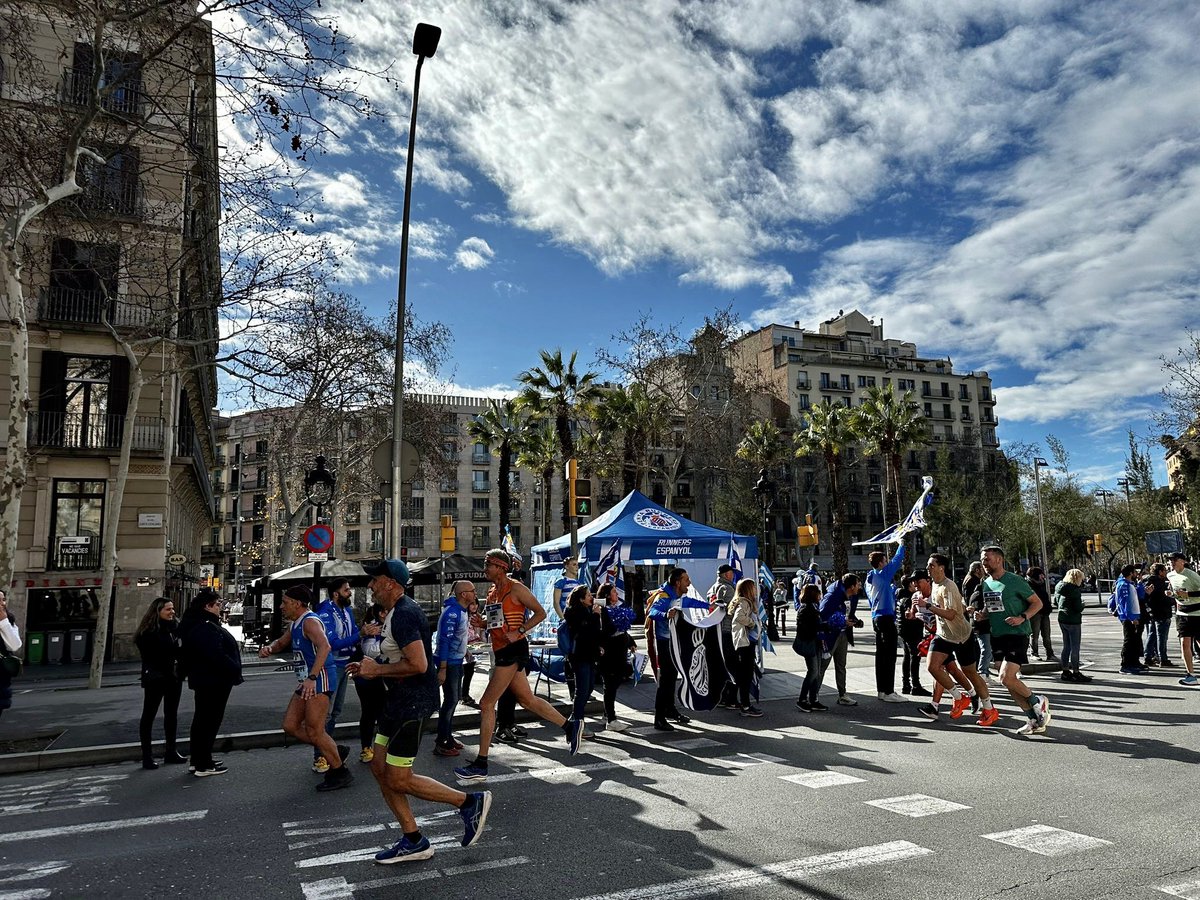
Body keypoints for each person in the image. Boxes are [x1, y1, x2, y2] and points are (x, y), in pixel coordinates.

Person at [349, 558, 490, 862]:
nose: (371, 585)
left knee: (398, 778)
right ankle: (413, 839)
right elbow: (395, 657)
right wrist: (369, 666)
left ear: (392, 583)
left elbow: (418, 664)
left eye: (376, 579)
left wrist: (376, 671)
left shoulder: (405, 615)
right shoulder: (395, 613)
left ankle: (468, 802)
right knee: (379, 768)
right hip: (396, 702)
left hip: (412, 704)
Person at [454, 549, 577, 783]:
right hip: (501, 650)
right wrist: (483, 623)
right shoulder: (492, 593)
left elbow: (540, 613)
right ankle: (570, 727)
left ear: (500, 567)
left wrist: (519, 630)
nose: (485, 569)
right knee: (527, 700)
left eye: (488, 564)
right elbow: (496, 622)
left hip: (513, 650)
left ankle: (481, 763)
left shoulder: (517, 588)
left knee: (486, 703)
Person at [259, 585, 352, 792]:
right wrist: (270, 648)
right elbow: (282, 642)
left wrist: (312, 677)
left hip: (319, 680)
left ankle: (339, 772)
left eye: (285, 602)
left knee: (315, 730)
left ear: (297, 603)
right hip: (307, 682)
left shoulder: (310, 621)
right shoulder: (295, 624)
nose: (281, 606)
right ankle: (334, 750)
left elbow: (325, 646)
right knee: (290, 726)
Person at [916, 557, 997, 727]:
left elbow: (951, 614)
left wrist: (928, 607)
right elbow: (954, 605)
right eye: (928, 565)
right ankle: (960, 697)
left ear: (941, 568)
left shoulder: (949, 586)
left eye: (932, 565)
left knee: (970, 673)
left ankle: (989, 709)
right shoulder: (936, 584)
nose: (928, 568)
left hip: (961, 636)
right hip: (943, 634)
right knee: (932, 666)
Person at [980, 546, 1049, 735]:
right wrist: (981, 615)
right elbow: (992, 608)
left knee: (1005, 677)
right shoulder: (986, 583)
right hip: (997, 636)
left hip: (1017, 634)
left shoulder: (1014, 581)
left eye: (987, 559)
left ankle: (1037, 701)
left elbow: (1038, 603)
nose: (984, 563)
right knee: (1008, 683)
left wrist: (1022, 617)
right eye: (982, 559)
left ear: (999, 560)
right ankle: (1033, 719)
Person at [178, 588, 243, 776]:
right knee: (209, 720)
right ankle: (203, 763)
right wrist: (233, 667)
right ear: (207, 606)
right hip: (214, 679)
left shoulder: (198, 623)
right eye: (217, 604)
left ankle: (199, 759)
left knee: (203, 720)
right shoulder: (205, 625)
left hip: (207, 678)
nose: (219, 607)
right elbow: (215, 654)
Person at [312, 577, 361, 774]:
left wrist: (363, 634)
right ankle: (319, 756)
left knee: (336, 712)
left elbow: (353, 631)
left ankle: (327, 753)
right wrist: (360, 635)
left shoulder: (346, 610)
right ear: (336, 593)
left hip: (346, 664)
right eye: (347, 590)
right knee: (326, 713)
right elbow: (330, 643)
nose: (350, 593)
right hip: (331, 666)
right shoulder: (325, 612)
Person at [134, 597, 187, 769]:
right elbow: (156, 655)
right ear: (157, 611)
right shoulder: (148, 632)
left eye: (172, 609)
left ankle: (171, 751)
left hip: (173, 677)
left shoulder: (175, 627)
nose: (172, 612)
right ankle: (147, 756)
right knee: (149, 715)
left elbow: (180, 650)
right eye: (168, 609)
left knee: (171, 714)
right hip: (156, 679)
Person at [645, 567, 694, 730]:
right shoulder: (664, 596)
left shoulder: (676, 595)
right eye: (686, 580)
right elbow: (652, 613)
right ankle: (659, 718)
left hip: (672, 642)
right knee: (665, 680)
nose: (689, 583)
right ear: (677, 582)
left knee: (672, 677)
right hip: (664, 644)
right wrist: (666, 615)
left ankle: (670, 710)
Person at [432, 581, 475, 757]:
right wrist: (442, 668)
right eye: (472, 591)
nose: (474, 593)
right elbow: (444, 640)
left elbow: (459, 636)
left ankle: (447, 737)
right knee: (450, 702)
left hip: (456, 661)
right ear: (463, 594)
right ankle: (442, 741)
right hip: (449, 663)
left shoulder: (462, 611)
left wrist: (465, 652)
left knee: (453, 700)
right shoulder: (452, 612)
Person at [864, 545, 906, 703]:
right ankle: (889, 692)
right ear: (881, 563)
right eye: (885, 561)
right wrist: (901, 544)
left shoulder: (871, 578)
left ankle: (882, 690)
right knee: (890, 655)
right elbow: (897, 561)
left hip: (876, 617)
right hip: (886, 618)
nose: (887, 563)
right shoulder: (884, 574)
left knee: (881, 655)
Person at [818, 574, 863, 707]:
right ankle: (813, 696)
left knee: (841, 666)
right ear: (852, 586)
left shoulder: (852, 596)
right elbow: (822, 614)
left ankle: (842, 695)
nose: (860, 587)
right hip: (830, 636)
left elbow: (849, 614)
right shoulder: (833, 595)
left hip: (843, 634)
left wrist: (855, 621)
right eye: (858, 584)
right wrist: (839, 621)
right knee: (822, 667)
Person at [564, 583, 603, 732]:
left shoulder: (586, 610)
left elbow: (593, 634)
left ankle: (575, 716)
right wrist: (595, 615)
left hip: (589, 654)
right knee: (582, 689)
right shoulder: (574, 612)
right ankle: (578, 723)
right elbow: (585, 631)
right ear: (581, 599)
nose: (591, 597)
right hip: (579, 655)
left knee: (589, 686)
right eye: (588, 595)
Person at [598, 583, 636, 731]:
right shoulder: (602, 610)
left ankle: (607, 714)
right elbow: (606, 631)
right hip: (609, 654)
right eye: (614, 592)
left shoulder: (617, 608)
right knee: (610, 685)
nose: (617, 594)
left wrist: (630, 642)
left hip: (620, 652)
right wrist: (618, 622)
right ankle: (611, 720)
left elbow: (624, 630)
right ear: (607, 595)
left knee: (617, 680)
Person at [353, 603, 388, 763]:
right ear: (382, 613)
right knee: (372, 712)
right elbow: (369, 650)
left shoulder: (383, 625)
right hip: (368, 675)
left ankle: (375, 748)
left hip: (374, 674)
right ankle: (368, 748)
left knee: (377, 712)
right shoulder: (374, 627)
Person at [727, 578, 763, 717]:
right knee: (745, 676)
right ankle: (746, 706)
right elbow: (738, 617)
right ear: (748, 589)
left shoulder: (742, 601)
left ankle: (741, 703)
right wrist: (752, 624)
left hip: (744, 642)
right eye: (753, 587)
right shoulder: (744, 602)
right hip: (745, 643)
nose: (755, 590)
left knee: (744, 675)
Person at [1167, 552, 1200, 685]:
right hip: (1182, 614)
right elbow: (1176, 592)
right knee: (1184, 643)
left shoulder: (1192, 575)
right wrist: (1171, 594)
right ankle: (1190, 675)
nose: (1172, 562)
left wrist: (1189, 594)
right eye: (1170, 560)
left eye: (1175, 560)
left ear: (1183, 561)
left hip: (1197, 613)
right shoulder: (1170, 575)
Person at [793, 584, 826, 712]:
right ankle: (802, 699)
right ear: (813, 594)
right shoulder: (806, 608)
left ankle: (813, 700)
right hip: (809, 643)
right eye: (818, 593)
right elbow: (807, 628)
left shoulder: (811, 607)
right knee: (813, 672)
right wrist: (823, 627)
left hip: (814, 642)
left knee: (816, 672)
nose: (820, 595)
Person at [1053, 569, 1090, 682]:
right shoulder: (1074, 590)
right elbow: (1078, 607)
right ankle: (1076, 672)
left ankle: (1065, 670)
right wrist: (1082, 604)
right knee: (1075, 647)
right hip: (1073, 620)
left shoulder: (1059, 587)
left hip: (1062, 618)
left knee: (1066, 646)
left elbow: (1055, 602)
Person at [896, 580, 930, 696]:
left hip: (904, 631)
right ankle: (915, 685)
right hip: (912, 631)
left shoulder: (901, 597)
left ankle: (906, 684)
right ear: (909, 585)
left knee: (908, 657)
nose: (915, 585)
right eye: (913, 583)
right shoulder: (909, 599)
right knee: (915, 657)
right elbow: (909, 613)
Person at [1113, 564, 1146, 675]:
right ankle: (1125, 664)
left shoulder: (1130, 584)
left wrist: (1141, 583)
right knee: (1129, 640)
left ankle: (1134, 662)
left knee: (1134, 640)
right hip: (1127, 617)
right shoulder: (1123, 585)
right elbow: (1124, 603)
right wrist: (1131, 618)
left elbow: (1140, 596)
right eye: (1135, 572)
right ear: (1131, 573)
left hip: (1134, 615)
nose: (1137, 573)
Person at [1142, 563, 1174, 667]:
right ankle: (1163, 659)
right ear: (1160, 572)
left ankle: (1148, 657)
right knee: (1162, 637)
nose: (1166, 572)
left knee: (1152, 635)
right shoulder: (1158, 583)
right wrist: (1173, 600)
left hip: (1153, 612)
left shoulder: (1148, 581)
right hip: (1162, 612)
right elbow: (1162, 598)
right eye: (1164, 570)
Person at [962, 561, 991, 675]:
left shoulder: (968, 579)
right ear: (977, 570)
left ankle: (980, 669)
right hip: (976, 617)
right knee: (983, 647)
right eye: (982, 568)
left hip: (972, 616)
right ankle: (982, 671)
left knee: (980, 646)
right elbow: (974, 600)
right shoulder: (974, 581)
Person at [0, 589, 23, 722]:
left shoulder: (8, 621)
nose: (2, 603)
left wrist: (3, 622)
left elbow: (14, 645)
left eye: (3, 600)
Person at [1025, 567, 1056, 662]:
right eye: (1041, 574)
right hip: (1035, 613)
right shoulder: (1028, 585)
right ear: (1036, 575)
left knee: (1046, 635)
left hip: (1044, 612)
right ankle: (1034, 653)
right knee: (1035, 634)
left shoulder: (1041, 584)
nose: (1043, 576)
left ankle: (1050, 654)